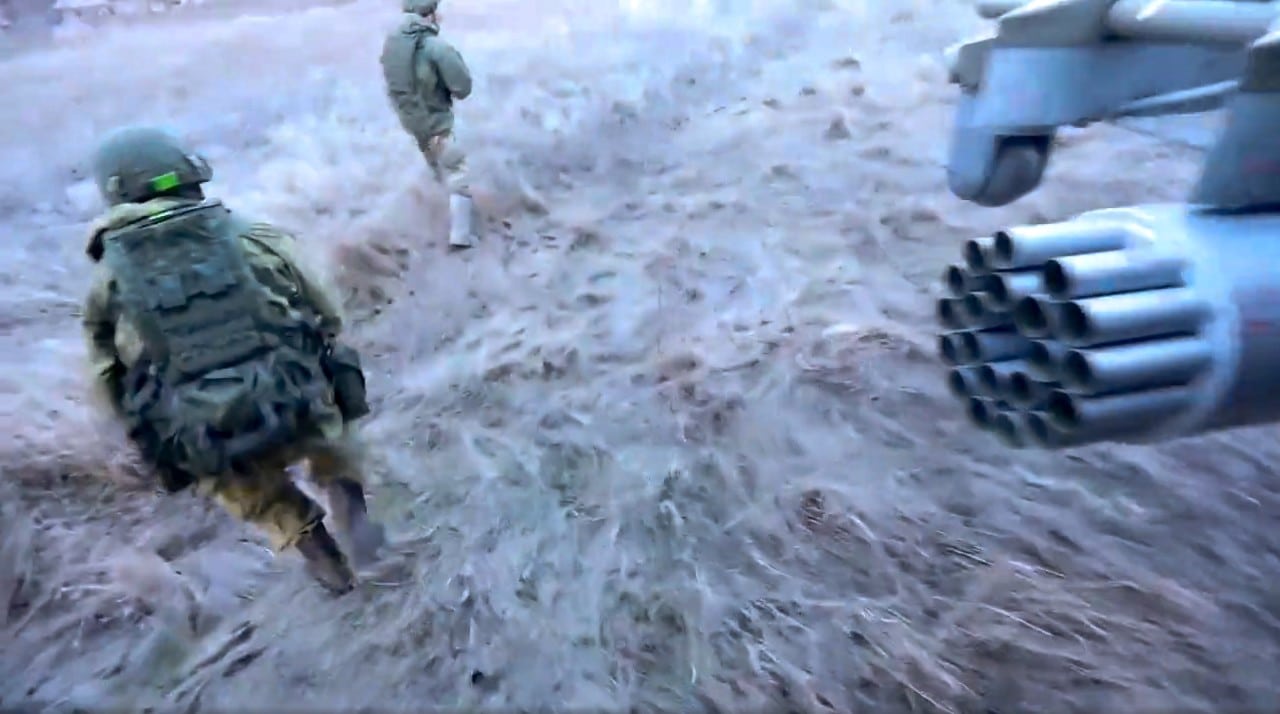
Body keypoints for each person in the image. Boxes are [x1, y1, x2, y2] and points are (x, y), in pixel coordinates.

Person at [81, 125, 387, 595]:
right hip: (295, 399)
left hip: (210, 433)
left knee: (251, 492)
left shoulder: (108, 282)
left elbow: (107, 379)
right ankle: (353, 511)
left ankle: (320, 556)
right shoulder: (249, 233)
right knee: (332, 424)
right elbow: (327, 310)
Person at [379, 0, 477, 248]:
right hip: (438, 123)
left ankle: (434, 227)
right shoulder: (436, 47)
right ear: (431, 13)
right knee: (458, 173)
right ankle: (461, 238)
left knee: (437, 171)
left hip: (414, 125)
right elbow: (463, 87)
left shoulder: (393, 46)